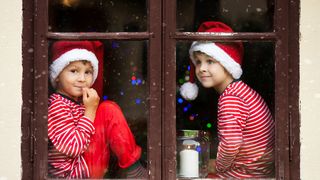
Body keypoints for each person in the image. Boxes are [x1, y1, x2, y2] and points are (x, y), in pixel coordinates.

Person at [180, 21, 275, 178]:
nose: (202, 68)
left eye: (210, 61)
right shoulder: (240, 91)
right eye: (198, 62)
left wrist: (217, 166)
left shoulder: (231, 99)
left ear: (227, 64)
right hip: (257, 170)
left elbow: (231, 144)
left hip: (244, 175)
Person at [48, 40, 147, 179]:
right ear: (57, 75)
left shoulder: (78, 102)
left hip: (84, 167)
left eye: (87, 72)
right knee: (108, 110)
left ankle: (131, 169)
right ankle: (134, 170)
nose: (82, 79)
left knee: (106, 110)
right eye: (74, 71)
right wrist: (90, 112)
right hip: (75, 174)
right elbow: (72, 148)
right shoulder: (57, 105)